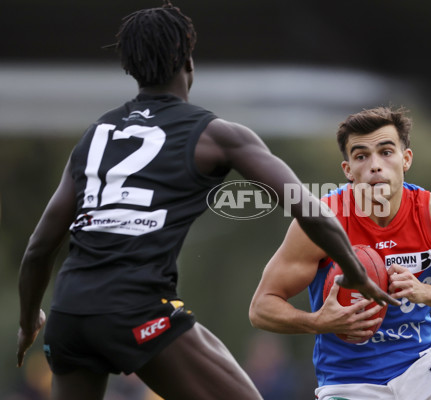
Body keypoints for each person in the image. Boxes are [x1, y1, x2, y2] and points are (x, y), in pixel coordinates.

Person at [16, 3, 398, 400]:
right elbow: (308, 208)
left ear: (130, 68)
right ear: (187, 59)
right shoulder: (216, 135)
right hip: (137, 310)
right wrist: (354, 271)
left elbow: (39, 248)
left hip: (68, 315)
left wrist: (29, 322)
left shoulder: (95, 137)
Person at [249, 106, 431, 400]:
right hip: (348, 378)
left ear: (406, 159)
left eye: (386, 152)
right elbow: (261, 309)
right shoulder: (320, 221)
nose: (375, 165)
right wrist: (318, 321)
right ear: (348, 171)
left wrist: (424, 292)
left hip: (420, 364)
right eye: (361, 156)